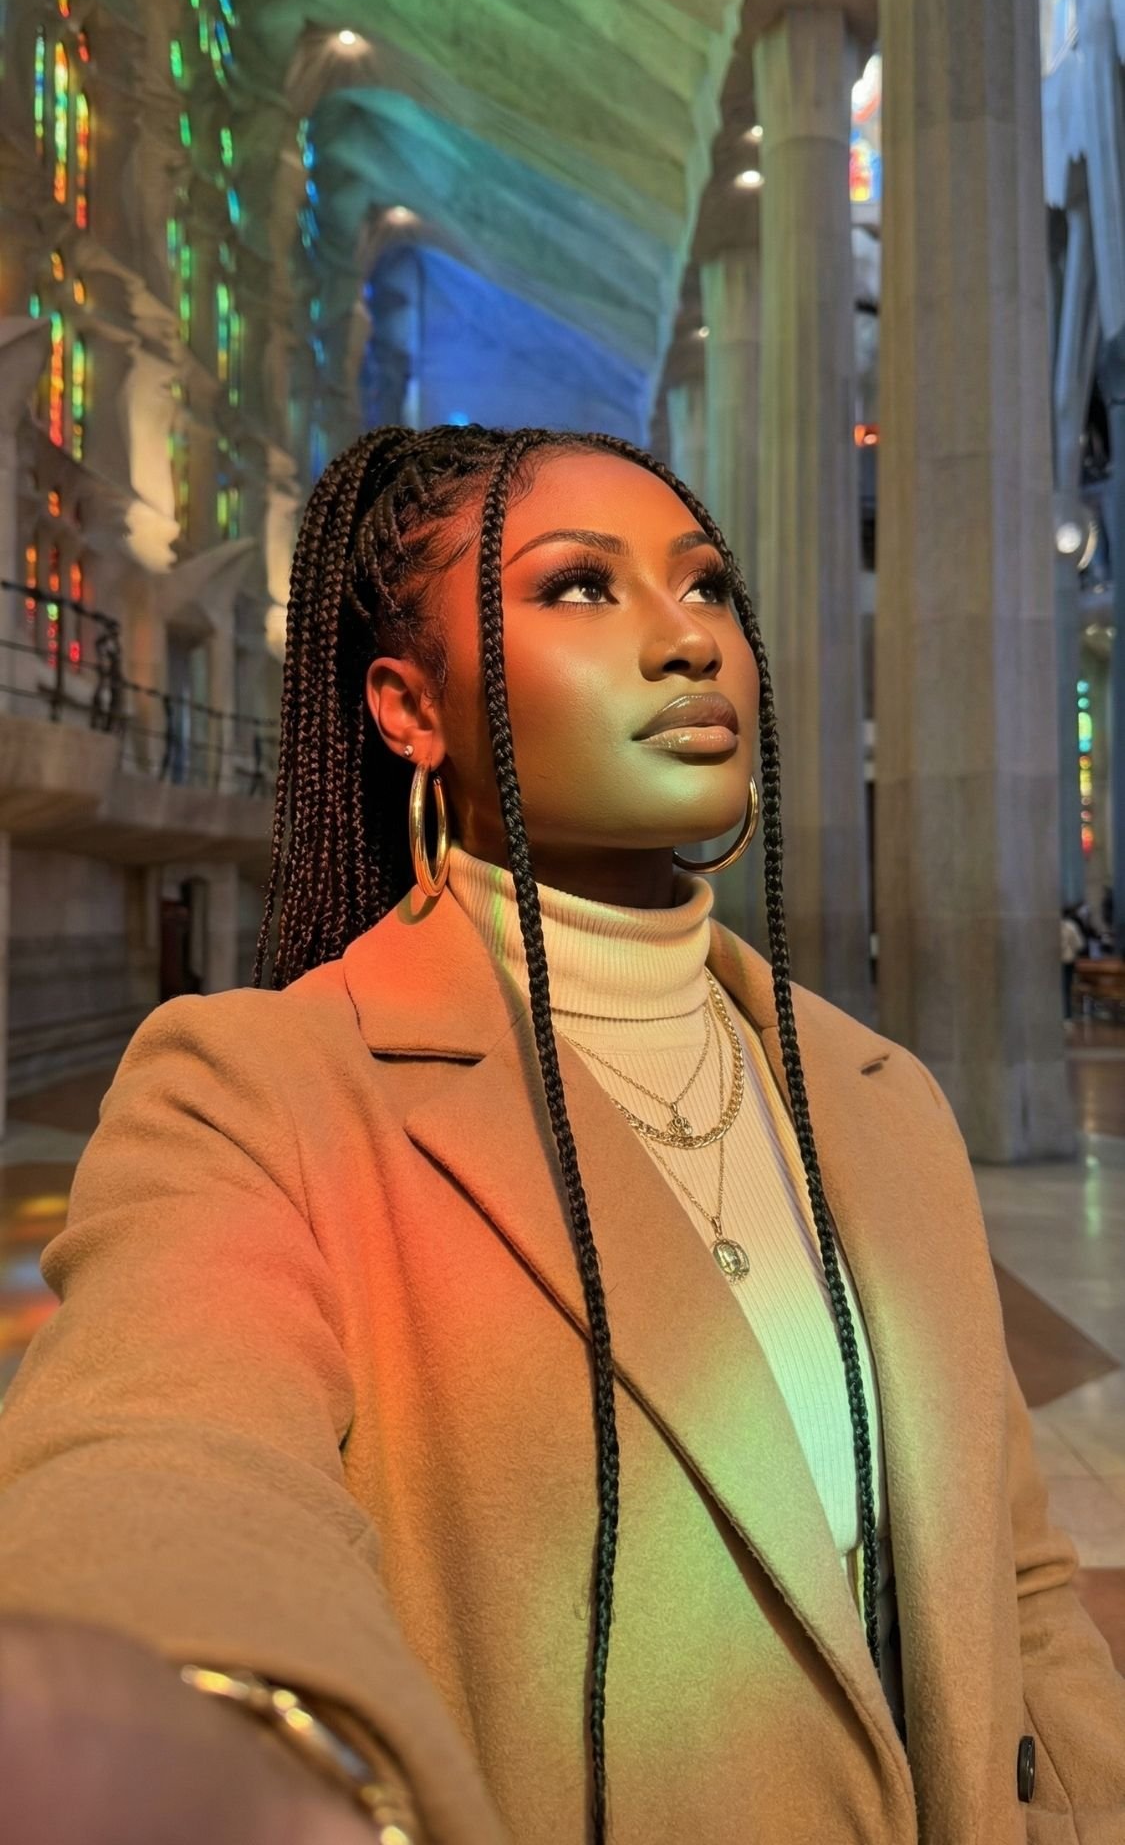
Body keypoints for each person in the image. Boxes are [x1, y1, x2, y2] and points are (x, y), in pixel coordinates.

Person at [0, 425, 1123, 1845]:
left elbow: (1018, 1582)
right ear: (410, 707)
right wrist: (221, 1745)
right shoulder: (259, 1094)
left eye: (706, 584)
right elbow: (160, 1458)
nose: (688, 638)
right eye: (580, 587)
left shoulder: (877, 1094)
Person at [1061, 907, 1086, 1024]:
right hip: (1068, 959)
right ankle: (1067, 1015)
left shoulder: (1047, 927)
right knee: (1065, 988)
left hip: (1054, 962)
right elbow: (1079, 944)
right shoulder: (1070, 926)